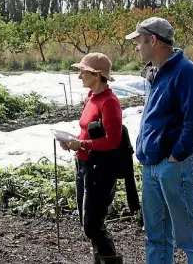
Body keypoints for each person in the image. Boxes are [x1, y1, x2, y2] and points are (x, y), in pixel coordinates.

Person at [125, 17, 193, 264]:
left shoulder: (186, 72)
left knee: (188, 238)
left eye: (139, 41)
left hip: (174, 166)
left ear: (153, 40)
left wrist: (175, 157)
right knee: (156, 237)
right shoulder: (154, 73)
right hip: (151, 166)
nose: (136, 47)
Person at [61, 52, 124, 264]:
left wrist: (84, 145)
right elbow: (87, 132)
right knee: (87, 222)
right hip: (84, 164)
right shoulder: (91, 98)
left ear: (97, 75)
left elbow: (113, 141)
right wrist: (72, 142)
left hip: (100, 169)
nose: (79, 76)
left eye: (83, 72)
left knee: (92, 225)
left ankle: (110, 260)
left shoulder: (109, 103)